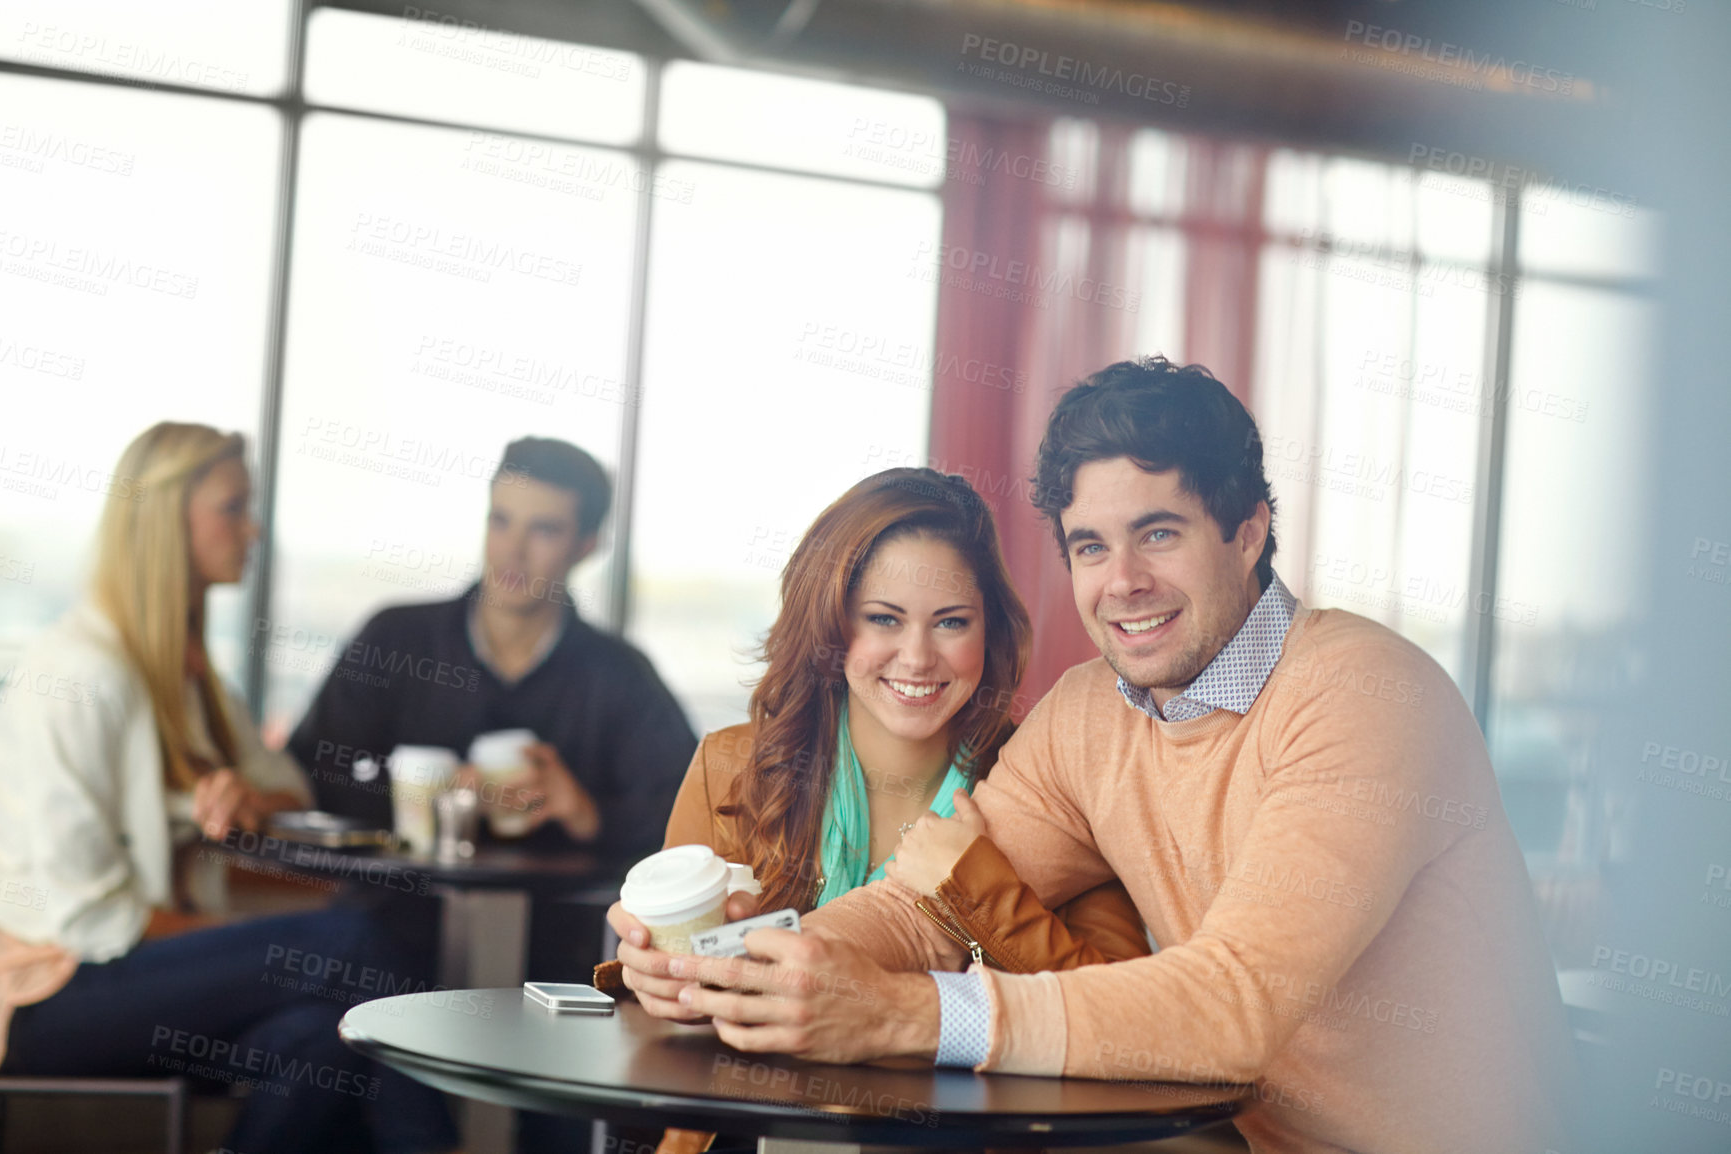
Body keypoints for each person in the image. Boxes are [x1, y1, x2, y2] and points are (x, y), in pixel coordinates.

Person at [610, 359, 1579, 1154]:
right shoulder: (1089, 712)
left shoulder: (1365, 692)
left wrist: (903, 1014)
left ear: (1248, 530)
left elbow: (1231, 1000)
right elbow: (917, 906)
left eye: (1157, 532)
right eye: (1088, 545)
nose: (1122, 582)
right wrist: (758, 966)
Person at [598, 466, 1150, 1154]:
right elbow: (661, 1029)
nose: (917, 658)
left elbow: (1126, 1021)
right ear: (831, 627)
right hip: (749, 1133)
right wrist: (655, 978)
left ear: (991, 632)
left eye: (951, 622)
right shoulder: (735, 767)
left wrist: (980, 890)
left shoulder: (1051, 784)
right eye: (883, 619)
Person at [0, 422, 457, 1154]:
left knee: (328, 1038)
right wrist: (257, 944)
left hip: (134, 971)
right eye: (233, 507)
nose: (253, 528)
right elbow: (92, 927)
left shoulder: (188, 674)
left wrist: (248, 799)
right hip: (55, 995)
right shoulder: (82, 675)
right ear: (166, 519)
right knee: (353, 942)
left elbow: (287, 788)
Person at [289, 436, 696, 865]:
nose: (512, 551)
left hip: (557, 927)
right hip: (387, 917)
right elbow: (309, 775)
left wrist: (587, 813)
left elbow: (692, 818)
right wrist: (421, 795)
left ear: (586, 546)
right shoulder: (394, 640)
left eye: (544, 530)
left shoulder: (620, 676)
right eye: (500, 521)